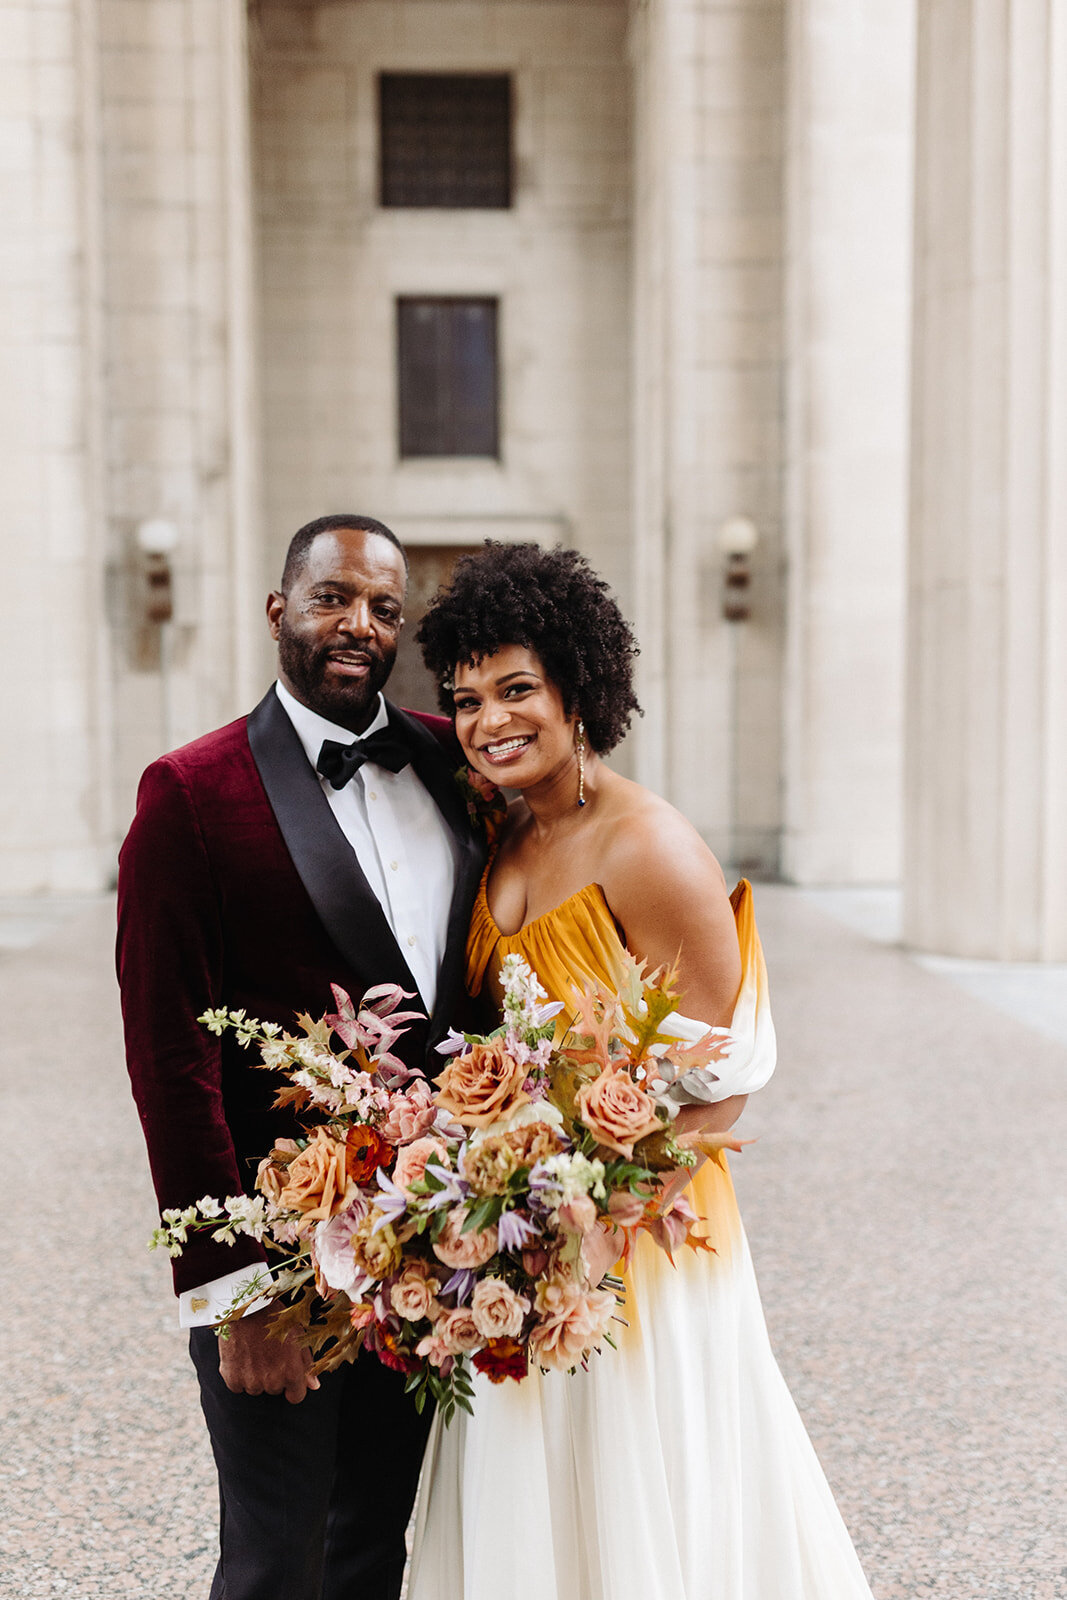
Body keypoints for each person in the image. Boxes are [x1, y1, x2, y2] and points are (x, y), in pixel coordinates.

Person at [407, 542, 876, 1600]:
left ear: (578, 686)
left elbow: (728, 1077)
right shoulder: (508, 834)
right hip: (519, 1236)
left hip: (643, 1247)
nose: (488, 720)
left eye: (516, 688)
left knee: (644, 1497)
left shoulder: (647, 847)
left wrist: (601, 1221)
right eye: (466, 697)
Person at [116, 514, 485, 1600]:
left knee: (374, 1541)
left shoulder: (452, 766)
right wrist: (233, 1294)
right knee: (279, 1555)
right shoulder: (189, 792)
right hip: (279, 1262)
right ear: (279, 610)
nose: (356, 625)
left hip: (424, 1249)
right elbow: (168, 1062)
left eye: (380, 605)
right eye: (332, 598)